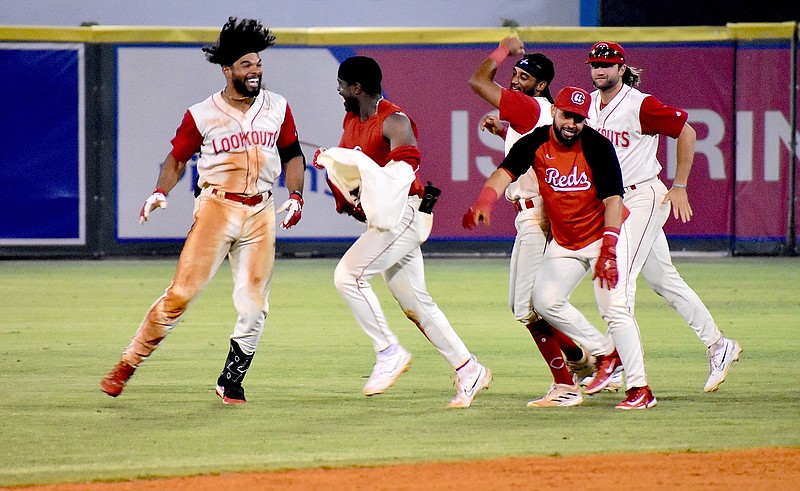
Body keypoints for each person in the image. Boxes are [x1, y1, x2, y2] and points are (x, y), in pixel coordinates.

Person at [99, 17, 306, 404]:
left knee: (255, 305)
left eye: (258, 63)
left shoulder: (277, 107)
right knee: (180, 294)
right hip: (217, 207)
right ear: (227, 70)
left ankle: (231, 379)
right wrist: (159, 191)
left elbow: (293, 154)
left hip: (261, 210)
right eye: (246, 64)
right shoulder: (203, 113)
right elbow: (176, 159)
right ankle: (128, 363)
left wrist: (296, 196)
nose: (255, 71)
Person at [464, 86, 656, 410]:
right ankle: (605, 351)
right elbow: (504, 173)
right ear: (555, 112)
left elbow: (613, 200)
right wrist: (484, 201)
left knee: (614, 308)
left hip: (603, 236)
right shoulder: (535, 142)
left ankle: (640, 389)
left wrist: (609, 249)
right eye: (567, 115)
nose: (572, 123)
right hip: (565, 240)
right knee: (544, 300)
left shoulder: (597, 147)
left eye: (579, 118)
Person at [320, 55, 491, 408]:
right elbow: (356, 176)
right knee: (415, 303)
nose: (338, 91)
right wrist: (339, 168)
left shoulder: (394, 120)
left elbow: (404, 168)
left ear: (357, 87)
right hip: (385, 220)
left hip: (405, 216)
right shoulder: (352, 119)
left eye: (341, 85)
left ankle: (388, 351)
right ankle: (469, 368)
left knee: (348, 276)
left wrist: (365, 174)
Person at [585, 42, 742, 392]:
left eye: (606, 65)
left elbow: (686, 130)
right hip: (615, 201)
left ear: (621, 69)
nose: (599, 70)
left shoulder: (641, 103)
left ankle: (617, 365)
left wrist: (680, 184)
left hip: (642, 196)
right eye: (594, 64)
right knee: (664, 281)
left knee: (618, 282)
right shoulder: (591, 104)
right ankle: (719, 345)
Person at [466, 36, 602, 407]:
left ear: (541, 86)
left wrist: (502, 50)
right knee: (523, 307)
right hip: (531, 213)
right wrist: (502, 131)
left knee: (529, 308)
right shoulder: (536, 114)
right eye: (515, 73)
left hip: (535, 215)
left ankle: (576, 376)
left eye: (524, 77)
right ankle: (580, 361)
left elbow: (478, 81)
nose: (514, 79)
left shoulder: (531, 107)